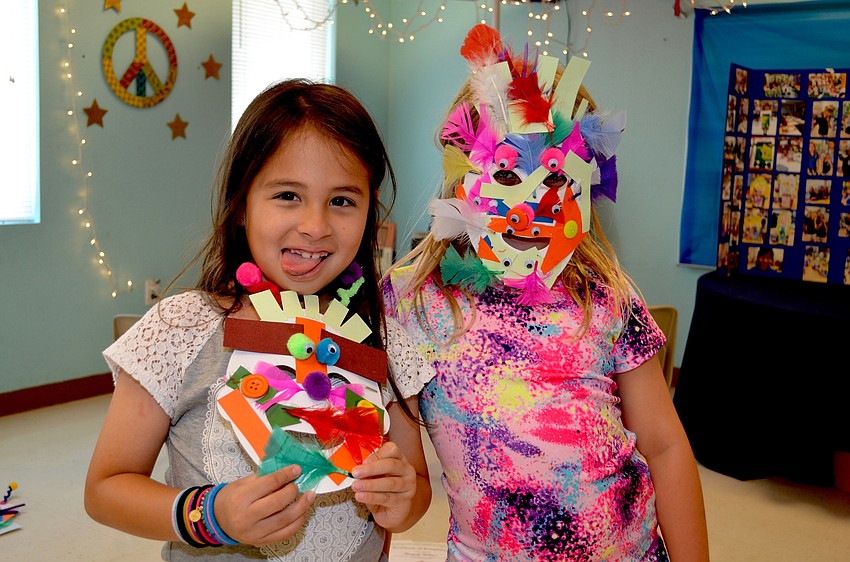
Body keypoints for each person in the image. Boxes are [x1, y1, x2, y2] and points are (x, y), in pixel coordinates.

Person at [382, 24, 709, 561]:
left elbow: (665, 444)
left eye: (555, 181)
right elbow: (410, 478)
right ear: (465, 170)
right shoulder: (412, 302)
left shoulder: (604, 296)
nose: (530, 207)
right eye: (509, 175)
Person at [84, 79, 432, 561]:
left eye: (342, 200)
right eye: (288, 195)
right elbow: (105, 489)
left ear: (369, 212)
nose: (315, 225)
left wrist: (402, 501)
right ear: (241, 206)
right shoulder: (181, 329)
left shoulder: (385, 339)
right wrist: (211, 516)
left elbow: (415, 486)